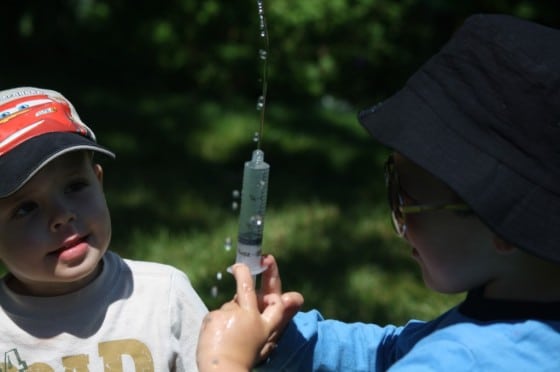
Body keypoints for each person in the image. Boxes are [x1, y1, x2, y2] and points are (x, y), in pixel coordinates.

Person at [196, 13, 560, 371]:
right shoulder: (517, 316)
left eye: (404, 198)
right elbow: (388, 355)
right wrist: (283, 338)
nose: (396, 220)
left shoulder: (454, 362)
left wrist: (224, 362)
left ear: (501, 220)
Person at [0, 86, 208, 370]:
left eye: (74, 186)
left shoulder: (163, 298)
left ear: (99, 183)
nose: (62, 215)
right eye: (26, 208)